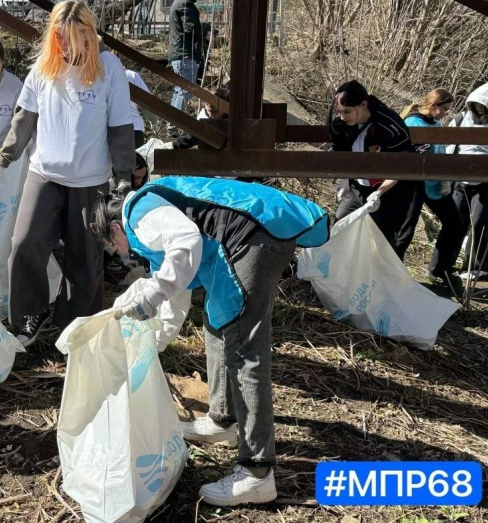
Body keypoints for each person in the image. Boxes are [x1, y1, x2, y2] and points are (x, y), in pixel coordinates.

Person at [91, 176, 329, 506]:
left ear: (116, 228)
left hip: (253, 234)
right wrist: (152, 346)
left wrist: (152, 293)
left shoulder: (138, 214)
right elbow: (176, 298)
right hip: (240, 241)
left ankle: (257, 473)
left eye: (110, 244)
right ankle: (223, 422)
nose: (117, 252)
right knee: (218, 319)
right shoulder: (150, 240)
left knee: (245, 347)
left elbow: (186, 240)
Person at [0, 0, 135, 346]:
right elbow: (24, 120)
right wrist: (3, 160)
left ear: (89, 35)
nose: (65, 45)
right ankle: (27, 318)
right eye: (59, 37)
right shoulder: (43, 67)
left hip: (90, 179)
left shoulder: (108, 69)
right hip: (45, 174)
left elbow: (121, 126)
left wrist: (123, 177)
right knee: (24, 244)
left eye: (72, 37)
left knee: (85, 259)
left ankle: (77, 329)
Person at [328, 80, 415, 257]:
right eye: (339, 112)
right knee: (339, 227)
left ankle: (382, 280)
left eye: (347, 111)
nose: (342, 116)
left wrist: (380, 193)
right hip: (356, 187)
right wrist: (344, 181)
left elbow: (401, 166)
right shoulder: (340, 125)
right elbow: (342, 154)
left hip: (390, 191)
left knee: (383, 240)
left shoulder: (389, 126)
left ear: (363, 105)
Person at [398, 89, 466, 284]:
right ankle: (391, 272)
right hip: (412, 183)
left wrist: (444, 179)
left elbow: (439, 154)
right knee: (405, 229)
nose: (446, 113)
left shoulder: (436, 124)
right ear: (434, 105)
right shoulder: (412, 123)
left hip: (434, 183)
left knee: (455, 222)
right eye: (444, 108)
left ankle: (439, 269)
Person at [446, 80, 488, 282]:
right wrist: (445, 177)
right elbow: (448, 148)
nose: (479, 112)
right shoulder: (461, 120)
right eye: (477, 108)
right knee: (455, 223)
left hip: (487, 184)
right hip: (460, 181)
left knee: (480, 224)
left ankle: (478, 268)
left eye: (483, 109)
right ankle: (446, 264)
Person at [167, 0, 205, 131]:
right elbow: (190, 28)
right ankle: (173, 124)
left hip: (182, 52)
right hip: (184, 53)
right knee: (185, 90)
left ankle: (173, 124)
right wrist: (206, 31)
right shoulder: (185, 4)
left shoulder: (184, 3)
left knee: (181, 90)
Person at [173, 85, 230, 150]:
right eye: (209, 111)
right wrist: (174, 144)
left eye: (215, 112)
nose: (211, 115)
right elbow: (194, 135)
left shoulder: (234, 113)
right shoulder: (204, 115)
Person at [125, 69, 148, 148]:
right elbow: (148, 101)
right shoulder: (132, 75)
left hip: (108, 129)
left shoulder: (95, 76)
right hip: (134, 126)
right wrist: (154, 121)